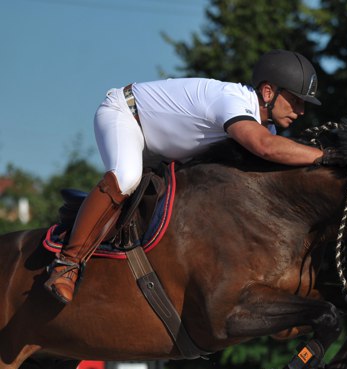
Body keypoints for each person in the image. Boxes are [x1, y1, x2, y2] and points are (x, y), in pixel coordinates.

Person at [44, 49, 325, 304]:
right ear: (267, 92)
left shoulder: (264, 126)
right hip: (126, 116)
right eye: (296, 101)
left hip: (162, 149)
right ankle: (66, 264)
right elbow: (264, 147)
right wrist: (328, 156)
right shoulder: (232, 100)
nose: (301, 111)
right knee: (127, 176)